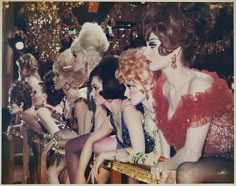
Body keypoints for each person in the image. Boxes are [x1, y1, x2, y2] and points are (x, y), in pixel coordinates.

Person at [143, 2, 234, 183]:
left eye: (152, 45)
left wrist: (166, 166)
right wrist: (164, 163)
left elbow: (192, 154)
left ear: (175, 49)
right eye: (147, 44)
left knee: (185, 172)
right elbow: (167, 149)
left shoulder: (200, 84)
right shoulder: (162, 88)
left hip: (230, 159)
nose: (146, 52)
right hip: (199, 163)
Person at [75, 56, 155, 184]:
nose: (91, 94)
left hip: (153, 167)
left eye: (95, 88)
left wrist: (105, 155)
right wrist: (79, 175)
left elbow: (138, 152)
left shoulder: (128, 110)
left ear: (108, 85)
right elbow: (90, 141)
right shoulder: (112, 118)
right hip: (135, 168)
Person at [65, 22, 110, 184]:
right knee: (70, 146)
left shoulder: (98, 77)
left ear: (87, 57)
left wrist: (94, 141)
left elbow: (101, 112)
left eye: (76, 55)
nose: (73, 59)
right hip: (104, 130)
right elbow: (93, 113)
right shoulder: (93, 78)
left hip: (110, 131)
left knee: (70, 147)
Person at [116, 48, 162, 166]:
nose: (126, 94)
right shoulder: (147, 107)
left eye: (130, 86)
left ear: (148, 81)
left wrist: (129, 158)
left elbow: (157, 159)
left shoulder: (162, 106)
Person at [53, 48, 89, 135]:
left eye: (57, 75)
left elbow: (82, 139)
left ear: (69, 77)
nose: (53, 79)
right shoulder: (65, 101)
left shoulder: (80, 103)